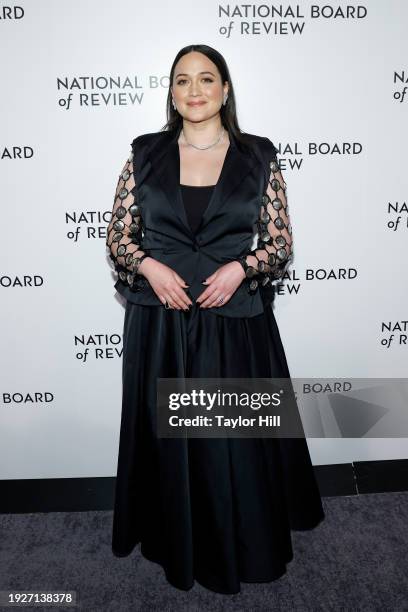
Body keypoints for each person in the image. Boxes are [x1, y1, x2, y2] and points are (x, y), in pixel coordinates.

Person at [106, 44, 325, 595]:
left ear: (225, 90)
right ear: (172, 94)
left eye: (207, 79)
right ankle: (171, 539)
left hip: (234, 323)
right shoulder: (144, 155)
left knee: (232, 441)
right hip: (162, 324)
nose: (195, 90)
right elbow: (118, 238)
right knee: (170, 441)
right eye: (183, 81)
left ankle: (241, 542)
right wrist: (150, 265)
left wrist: (241, 268)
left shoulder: (258, 155)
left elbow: (280, 243)